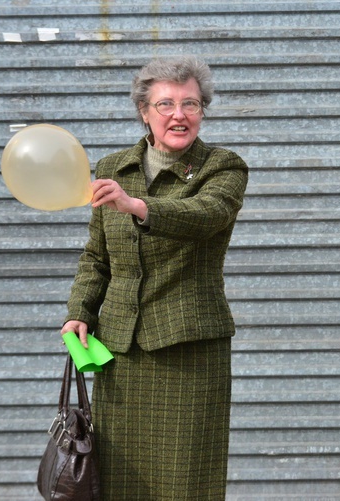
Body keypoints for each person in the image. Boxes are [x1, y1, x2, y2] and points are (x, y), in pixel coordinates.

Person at [61, 56, 248, 500]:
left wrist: (137, 207)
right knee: (120, 482)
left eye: (191, 104)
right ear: (144, 111)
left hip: (189, 349)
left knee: (186, 482)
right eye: (166, 104)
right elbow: (98, 256)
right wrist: (79, 312)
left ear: (203, 111)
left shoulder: (222, 167)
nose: (179, 115)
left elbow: (206, 215)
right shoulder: (114, 167)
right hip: (120, 353)